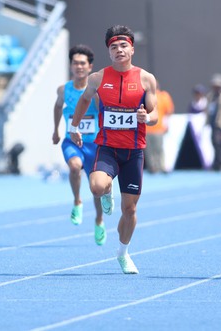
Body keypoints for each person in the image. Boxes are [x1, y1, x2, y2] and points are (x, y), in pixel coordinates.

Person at [69, 24, 159, 274]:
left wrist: (146, 119)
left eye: (123, 45)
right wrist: (74, 126)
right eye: (113, 47)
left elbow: (155, 114)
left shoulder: (146, 79)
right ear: (109, 52)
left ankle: (123, 252)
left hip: (133, 152)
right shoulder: (98, 78)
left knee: (129, 210)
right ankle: (107, 191)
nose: (119, 50)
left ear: (131, 49)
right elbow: (85, 99)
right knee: (97, 186)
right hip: (107, 147)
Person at [52, 44, 106, 246]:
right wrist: (56, 130)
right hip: (72, 141)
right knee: (74, 167)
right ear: (70, 66)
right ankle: (77, 201)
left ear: (90, 66)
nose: (79, 66)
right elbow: (57, 107)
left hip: (94, 144)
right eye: (75, 63)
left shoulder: (96, 91)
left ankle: (99, 219)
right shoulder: (63, 90)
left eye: (82, 63)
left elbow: (103, 113)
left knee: (97, 188)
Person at [144, 82, 174, 174]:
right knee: (149, 150)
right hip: (147, 128)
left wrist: (166, 124)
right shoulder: (144, 96)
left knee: (159, 148)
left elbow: (168, 112)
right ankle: (152, 167)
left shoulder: (163, 96)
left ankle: (161, 166)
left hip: (158, 127)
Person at [206, 73, 221, 171]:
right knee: (214, 142)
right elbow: (208, 110)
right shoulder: (210, 96)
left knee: (219, 143)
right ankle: (217, 163)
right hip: (213, 123)